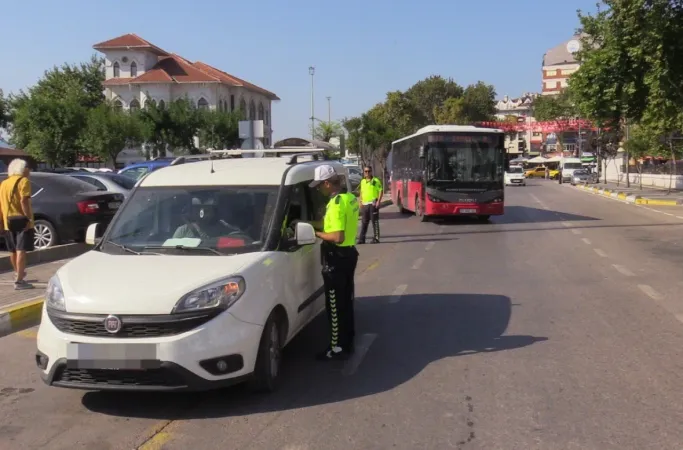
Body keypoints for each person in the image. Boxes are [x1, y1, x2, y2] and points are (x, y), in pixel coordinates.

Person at [309, 165, 360, 360]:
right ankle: (348, 341)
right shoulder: (348, 198)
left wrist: (316, 234)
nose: (318, 189)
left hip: (336, 259)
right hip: (348, 255)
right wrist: (309, 223)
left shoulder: (336, 203)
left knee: (334, 307)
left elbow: (337, 235)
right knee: (346, 301)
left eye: (320, 185)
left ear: (328, 183)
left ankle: (336, 347)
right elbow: (331, 224)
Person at [0, 158, 35, 290]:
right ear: (23, 169)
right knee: (21, 250)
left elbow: (1, 206)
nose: (29, 170)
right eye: (28, 168)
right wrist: (28, 218)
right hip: (22, 221)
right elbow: (24, 201)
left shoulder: (4, 184)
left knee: (12, 250)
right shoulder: (24, 181)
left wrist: (1, 222)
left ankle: (17, 274)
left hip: (8, 221)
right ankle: (20, 282)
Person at [173, 197, 240, 240]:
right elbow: (172, 249)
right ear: (192, 212)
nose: (202, 213)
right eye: (198, 210)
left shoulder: (224, 229)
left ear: (213, 212)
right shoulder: (183, 230)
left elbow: (241, 237)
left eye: (206, 210)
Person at [356, 166, 383, 244]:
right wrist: (360, 201)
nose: (367, 173)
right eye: (365, 171)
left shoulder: (375, 181)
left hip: (373, 204)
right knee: (364, 222)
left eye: (368, 171)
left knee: (374, 221)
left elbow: (380, 190)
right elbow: (361, 192)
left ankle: (376, 238)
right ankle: (362, 239)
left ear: (371, 172)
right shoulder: (363, 181)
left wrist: (378, 201)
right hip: (365, 205)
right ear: (364, 172)